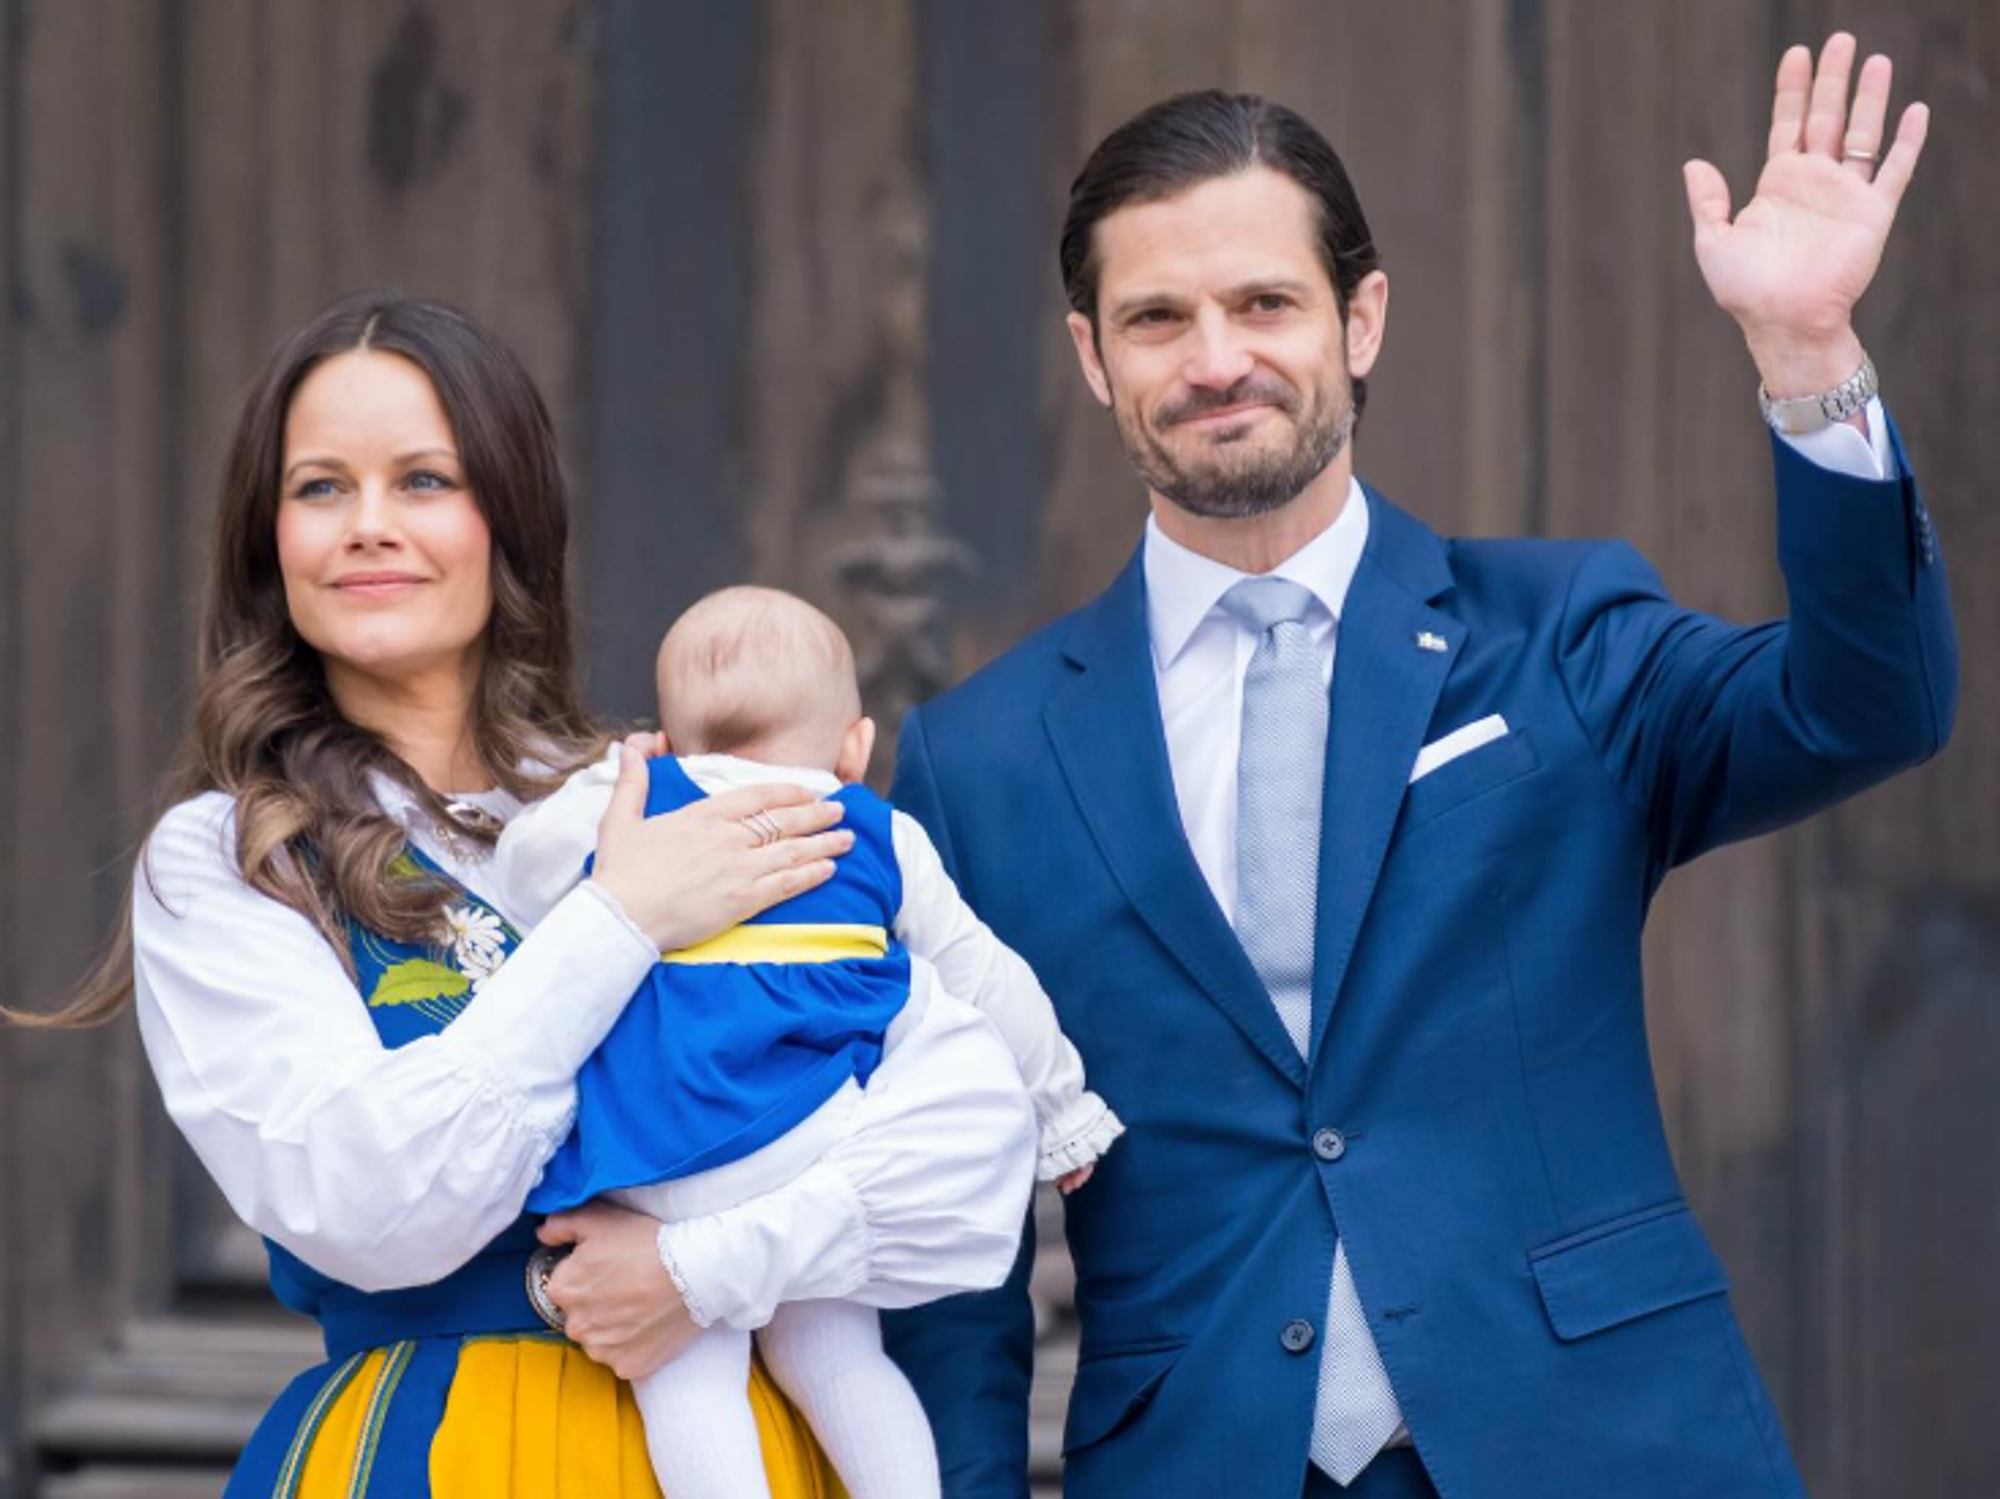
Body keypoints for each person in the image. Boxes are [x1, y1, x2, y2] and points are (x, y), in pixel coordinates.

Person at [882, 35, 1955, 1499]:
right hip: (1197, 1459)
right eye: (1156, 317)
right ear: (1090, 354)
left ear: (1361, 317)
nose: (1215, 360)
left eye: (1265, 301)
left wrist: (1810, 360)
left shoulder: (1561, 629)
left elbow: (1868, 705)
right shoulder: (978, 756)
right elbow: (948, 1213)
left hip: (1599, 1438)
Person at [18, 290, 1038, 1496]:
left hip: (743, 1441)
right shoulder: (232, 855)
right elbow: (363, 1201)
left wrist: (704, 1267)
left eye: (424, 480)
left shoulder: (659, 791)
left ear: (509, 514)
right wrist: (619, 924)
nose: (368, 525)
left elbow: (965, 1147)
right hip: (432, 1447)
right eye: (320, 487)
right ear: (266, 541)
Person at [489, 583, 1120, 1499]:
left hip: (666, 1143)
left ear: (665, 739)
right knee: (838, 1352)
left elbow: (523, 869)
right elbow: (989, 980)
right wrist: (1062, 1110)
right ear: (855, 746)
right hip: (816, 1131)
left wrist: (611, 781)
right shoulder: (874, 829)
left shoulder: (643, 804)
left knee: (690, 1374)